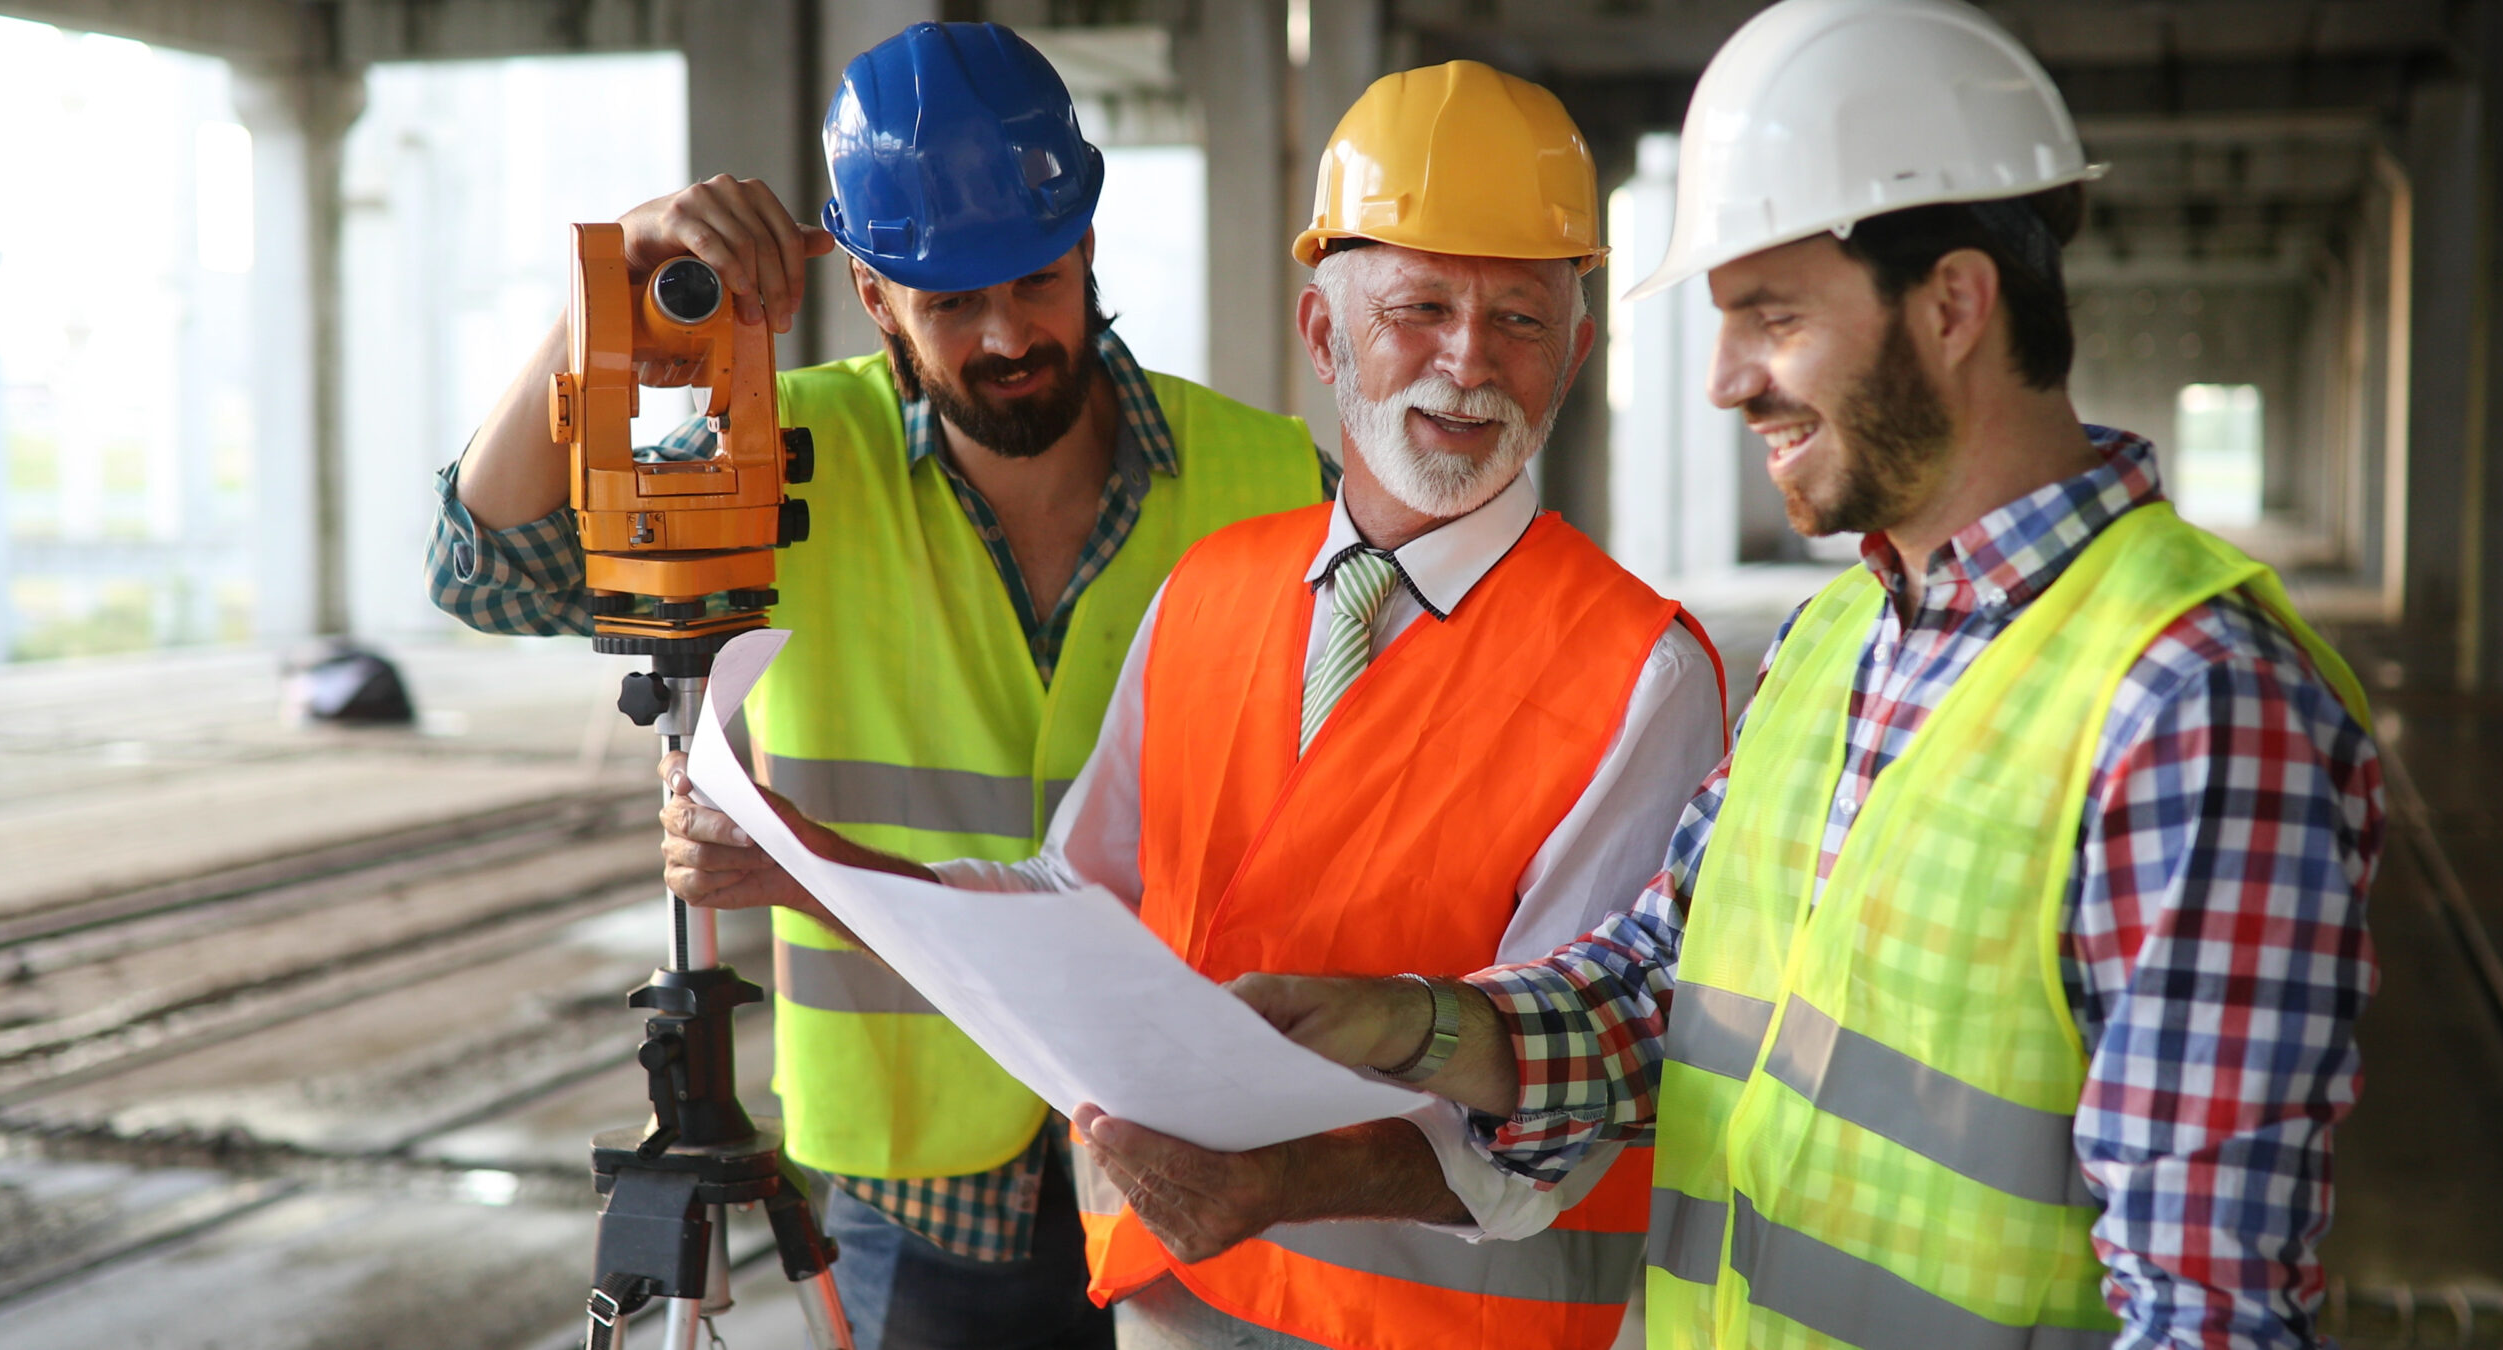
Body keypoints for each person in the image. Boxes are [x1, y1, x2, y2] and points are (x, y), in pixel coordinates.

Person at [1226, 3, 2386, 1348]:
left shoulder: (2194, 705)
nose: (1724, 381)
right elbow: (1652, 995)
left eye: (1769, 315)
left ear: (1954, 303)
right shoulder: (1834, 639)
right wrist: (1407, 1024)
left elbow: (2205, 1315)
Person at [659, 61, 1728, 1350]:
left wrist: (1281, 1188)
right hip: (1174, 1302)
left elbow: (1578, 1087)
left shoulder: (1639, 669)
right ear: (1325, 336)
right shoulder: (1213, 588)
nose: (1468, 362)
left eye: (1520, 319)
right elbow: (1080, 905)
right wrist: (808, 863)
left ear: (1578, 353)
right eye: (1421, 308)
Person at [428, 22, 1331, 1349]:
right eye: (951, 302)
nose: (1009, 331)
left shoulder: (1272, 480)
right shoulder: (785, 455)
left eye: (1032, 278)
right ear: (869, 288)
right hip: (924, 1200)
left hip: (1202, 1159)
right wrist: (605, 281)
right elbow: (483, 569)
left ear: (1085, 243)